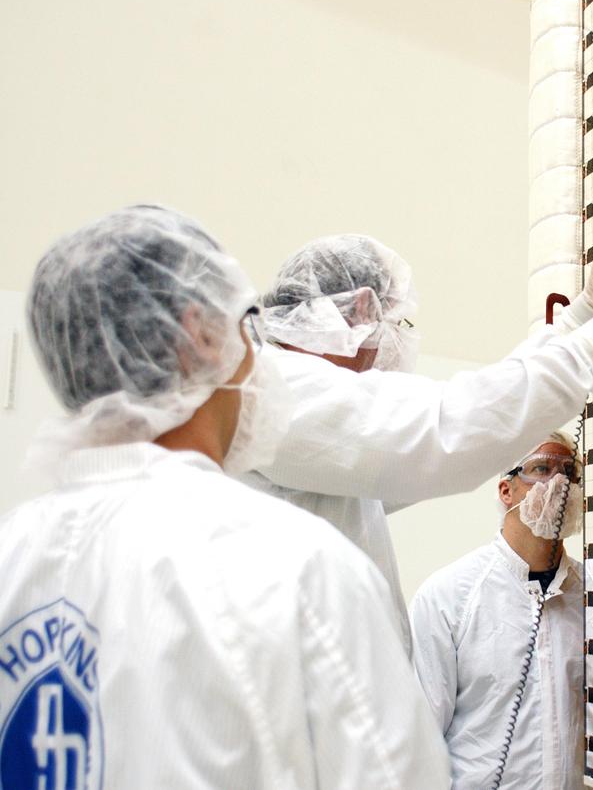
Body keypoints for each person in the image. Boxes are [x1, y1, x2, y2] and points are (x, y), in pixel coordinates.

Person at [0, 206, 450, 788]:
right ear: (200, 335)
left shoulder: (14, 555)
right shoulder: (296, 568)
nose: (258, 352)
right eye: (247, 324)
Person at [242, 235, 593, 649]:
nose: (400, 342)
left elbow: (481, 417)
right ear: (361, 310)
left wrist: (585, 313)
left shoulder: (306, 412)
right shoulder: (281, 393)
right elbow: (456, 427)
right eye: (399, 322)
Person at [409, 433, 593, 789]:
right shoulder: (449, 598)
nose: (560, 483)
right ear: (506, 490)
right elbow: (421, 740)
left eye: (570, 472)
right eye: (542, 469)